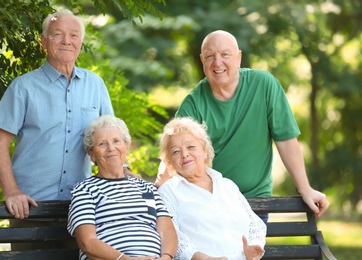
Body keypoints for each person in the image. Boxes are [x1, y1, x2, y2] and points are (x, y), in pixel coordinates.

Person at [155, 30, 328, 221]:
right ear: (202, 61)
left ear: (238, 57)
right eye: (210, 56)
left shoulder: (264, 85)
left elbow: (286, 140)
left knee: (245, 250)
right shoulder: (194, 103)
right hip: (209, 203)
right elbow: (173, 153)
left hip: (254, 203)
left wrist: (305, 188)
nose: (217, 62)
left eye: (225, 54)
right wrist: (157, 189)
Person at [0, 9, 114, 219]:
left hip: (81, 206)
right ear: (43, 42)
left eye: (73, 35)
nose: (66, 41)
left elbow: (111, 139)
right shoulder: (23, 87)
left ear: (80, 42)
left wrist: (123, 172)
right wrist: (11, 191)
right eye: (57, 34)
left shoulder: (96, 84)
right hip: (29, 205)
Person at [67, 115, 178, 260]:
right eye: (102, 144)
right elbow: (87, 242)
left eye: (116, 141)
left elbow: (167, 231)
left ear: (126, 147)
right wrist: (125, 259)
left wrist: (166, 257)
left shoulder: (147, 188)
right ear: (92, 155)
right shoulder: (85, 190)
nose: (111, 148)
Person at [157, 117, 266, 260]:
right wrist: (200, 257)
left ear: (205, 151)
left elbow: (255, 225)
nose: (184, 154)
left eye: (191, 147)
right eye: (176, 151)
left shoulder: (227, 185)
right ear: (169, 161)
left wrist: (254, 246)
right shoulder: (168, 192)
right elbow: (172, 237)